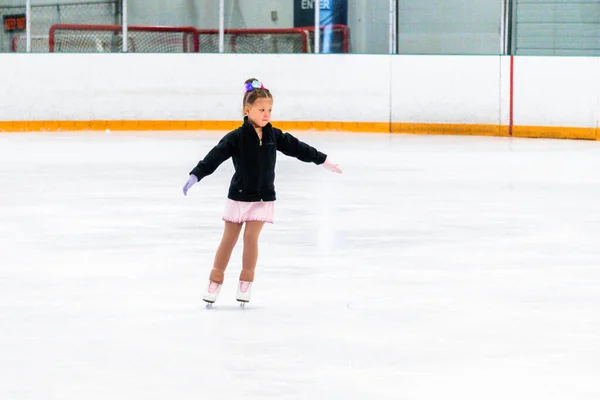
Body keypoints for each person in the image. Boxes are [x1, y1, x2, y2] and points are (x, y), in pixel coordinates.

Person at [182, 78, 342, 305]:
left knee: (251, 239)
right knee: (228, 240)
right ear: (248, 111)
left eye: (269, 110)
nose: (267, 114)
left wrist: (323, 160)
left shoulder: (274, 135)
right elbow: (215, 156)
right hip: (239, 195)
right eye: (261, 109)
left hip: (263, 197)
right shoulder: (236, 137)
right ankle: (215, 280)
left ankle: (245, 282)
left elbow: (299, 148)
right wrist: (196, 174)